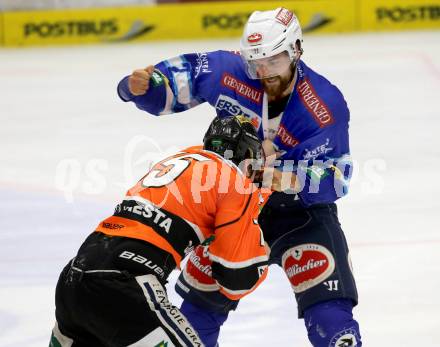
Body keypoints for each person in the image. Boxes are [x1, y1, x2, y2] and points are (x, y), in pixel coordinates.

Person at [117, 7, 362, 347]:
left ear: (296, 50)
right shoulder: (228, 70)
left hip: (302, 217)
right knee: (194, 321)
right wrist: (141, 88)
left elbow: (337, 178)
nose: (264, 72)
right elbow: (174, 78)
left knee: (333, 325)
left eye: (273, 61)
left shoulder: (324, 104)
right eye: (255, 63)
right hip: (237, 212)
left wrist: (282, 178)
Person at [49, 115, 271, 347]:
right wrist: (262, 250)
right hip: (123, 284)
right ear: (248, 155)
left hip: (73, 277)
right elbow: (236, 279)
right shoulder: (236, 182)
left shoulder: (181, 158)